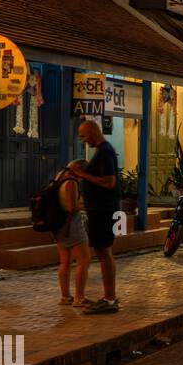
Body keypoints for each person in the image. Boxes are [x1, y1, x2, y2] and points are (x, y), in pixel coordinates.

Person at [71, 120, 120, 313]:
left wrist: (82, 175)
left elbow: (109, 182)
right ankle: (108, 296)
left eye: (83, 136)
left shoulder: (105, 152)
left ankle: (109, 298)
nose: (82, 140)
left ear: (92, 132)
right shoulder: (102, 152)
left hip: (104, 210)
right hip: (99, 209)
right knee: (102, 252)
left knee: (104, 253)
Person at [52, 159, 91, 306]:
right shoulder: (71, 183)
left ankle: (65, 296)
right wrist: (83, 206)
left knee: (65, 262)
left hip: (59, 226)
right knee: (84, 261)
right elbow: (72, 207)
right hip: (72, 226)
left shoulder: (59, 178)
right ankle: (79, 298)